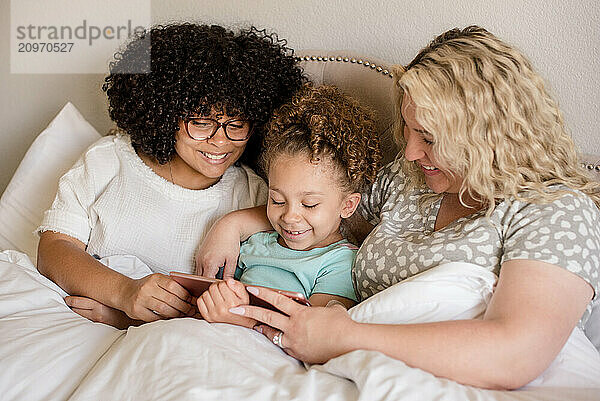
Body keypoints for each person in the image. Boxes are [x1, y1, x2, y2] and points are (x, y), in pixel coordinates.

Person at [196, 26, 600, 389]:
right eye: (406, 130)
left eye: (428, 137)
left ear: (488, 135)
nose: (409, 151)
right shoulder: (409, 182)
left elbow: (516, 353)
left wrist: (344, 337)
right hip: (344, 358)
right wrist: (232, 226)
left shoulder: (557, 211)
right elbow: (321, 208)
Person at [36, 23, 304, 329]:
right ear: (164, 114)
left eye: (237, 124)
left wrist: (127, 319)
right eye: (202, 123)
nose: (220, 141)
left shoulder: (255, 196)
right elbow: (53, 250)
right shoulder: (108, 160)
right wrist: (125, 293)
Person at [196, 84, 382, 329]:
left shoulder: (339, 263)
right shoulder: (258, 242)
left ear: (347, 206)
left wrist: (244, 320)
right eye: (277, 200)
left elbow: (313, 333)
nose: (290, 216)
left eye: (309, 204)